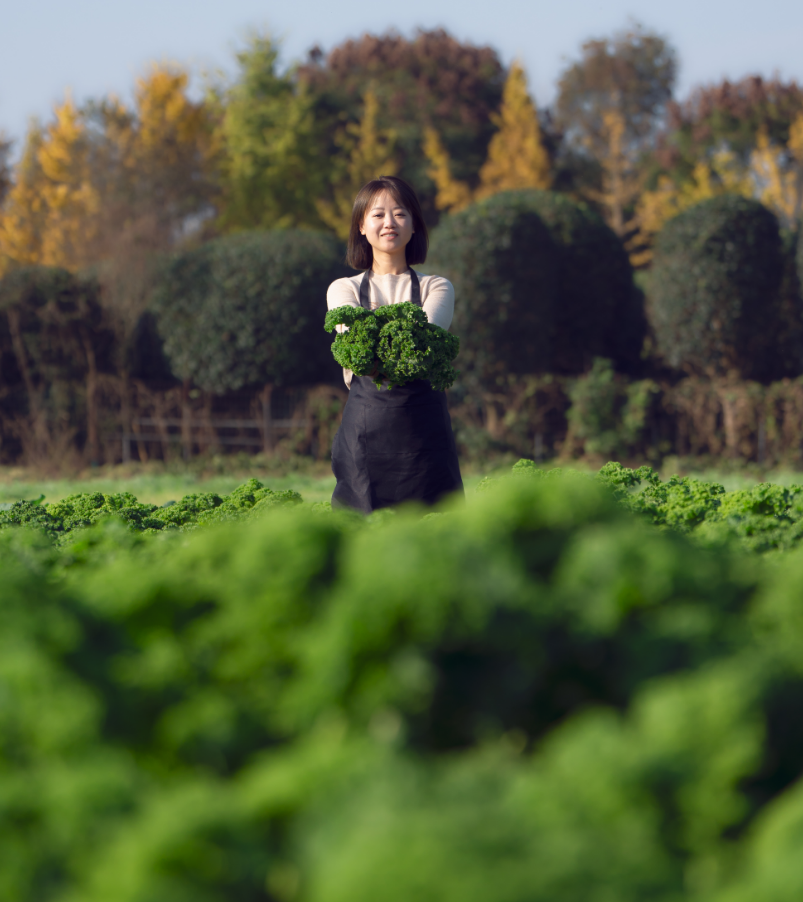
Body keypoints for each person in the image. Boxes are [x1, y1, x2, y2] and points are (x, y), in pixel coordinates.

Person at [327, 175, 464, 513]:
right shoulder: (342, 289)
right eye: (377, 215)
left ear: (414, 224)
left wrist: (375, 338)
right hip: (365, 440)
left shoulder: (438, 287)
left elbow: (424, 343)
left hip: (425, 439)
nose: (389, 223)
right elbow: (353, 342)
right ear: (361, 226)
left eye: (400, 213)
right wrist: (395, 341)